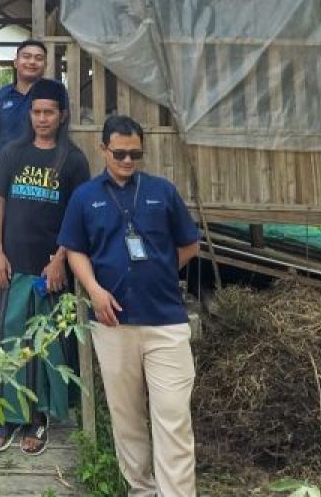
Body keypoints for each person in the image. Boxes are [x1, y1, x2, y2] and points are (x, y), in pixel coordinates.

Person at [59, 115, 201, 497]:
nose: (127, 161)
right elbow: (75, 249)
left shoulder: (162, 190)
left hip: (166, 322)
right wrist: (94, 290)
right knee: (127, 419)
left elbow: (189, 244)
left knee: (173, 417)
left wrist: (161, 270)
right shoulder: (85, 196)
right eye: (119, 153)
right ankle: (141, 490)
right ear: (102, 149)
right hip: (113, 323)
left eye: (135, 154)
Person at [0, 79, 90, 456]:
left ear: (61, 116)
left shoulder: (73, 160)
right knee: (10, 339)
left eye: (49, 112)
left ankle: (38, 417)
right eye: (36, 111)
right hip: (11, 267)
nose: (42, 118)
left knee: (45, 346)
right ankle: (6, 414)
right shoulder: (13, 153)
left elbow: (78, 215)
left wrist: (60, 259)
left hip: (49, 272)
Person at [0, 40, 47, 161]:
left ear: (46, 65)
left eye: (38, 58)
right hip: (6, 167)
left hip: (41, 168)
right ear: (15, 63)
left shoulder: (54, 93)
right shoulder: (1, 96)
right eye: (26, 57)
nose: (32, 62)